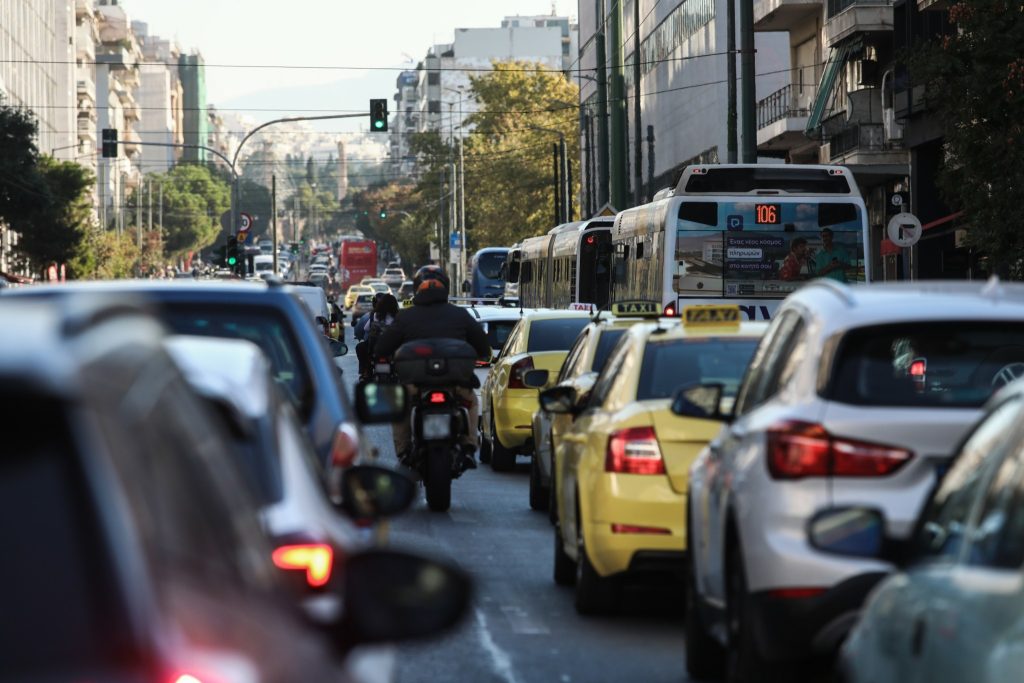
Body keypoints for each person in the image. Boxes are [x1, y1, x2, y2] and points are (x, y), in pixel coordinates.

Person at [375, 265, 491, 471]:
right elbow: (484, 348)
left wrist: (386, 360)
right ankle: (469, 446)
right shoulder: (460, 315)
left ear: (417, 288)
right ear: (445, 288)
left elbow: (382, 347)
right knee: (472, 401)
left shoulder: (406, 317)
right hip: (455, 384)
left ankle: (403, 451)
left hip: (415, 386)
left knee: (400, 407)